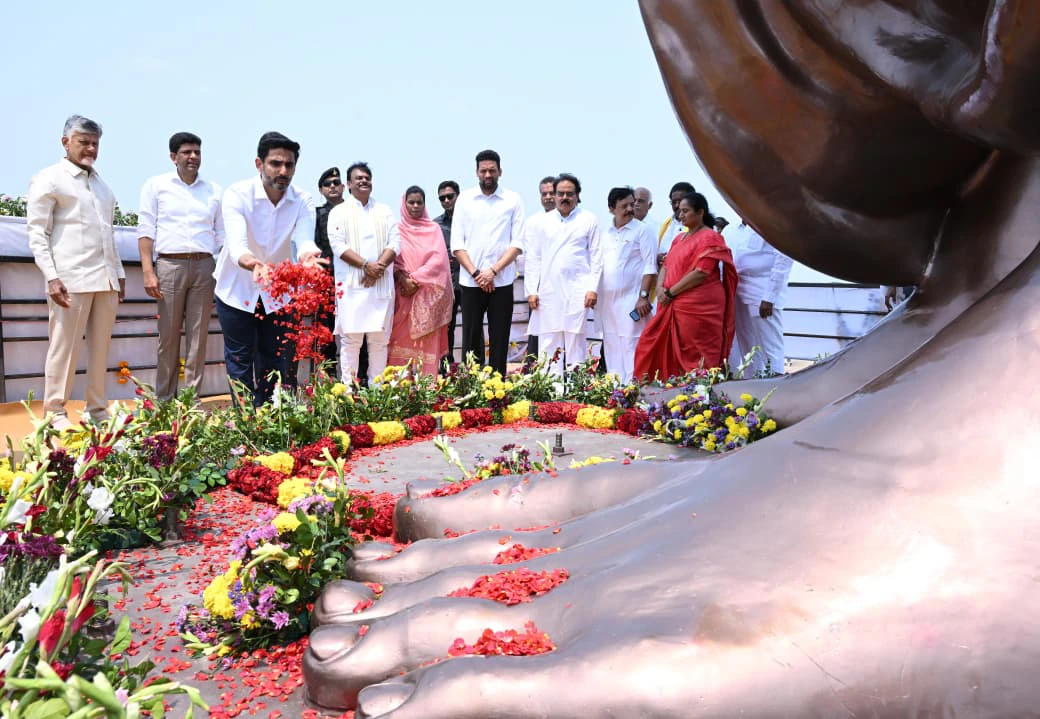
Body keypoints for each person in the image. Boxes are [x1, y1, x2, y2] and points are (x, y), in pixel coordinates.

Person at [27, 114, 125, 430]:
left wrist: (119, 273)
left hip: (105, 279)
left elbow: (109, 233)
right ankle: (55, 411)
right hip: (70, 279)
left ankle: (97, 410)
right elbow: (37, 232)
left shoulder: (103, 186)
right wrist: (51, 276)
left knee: (101, 350)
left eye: (95, 143)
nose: (90, 149)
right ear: (66, 142)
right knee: (63, 348)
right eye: (84, 142)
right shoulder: (49, 179)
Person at [213, 131, 325, 406]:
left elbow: (304, 238)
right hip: (237, 289)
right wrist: (253, 264)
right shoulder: (237, 194)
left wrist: (309, 257)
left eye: (289, 165)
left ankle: (270, 422)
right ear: (259, 164)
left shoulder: (302, 200)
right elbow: (237, 245)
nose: (283, 171)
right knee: (239, 361)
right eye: (276, 163)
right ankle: (246, 424)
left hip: (279, 294)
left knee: (275, 361)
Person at [138, 131, 223, 401]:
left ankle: (191, 401)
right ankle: (164, 400)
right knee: (168, 338)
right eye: (187, 152)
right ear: (173, 157)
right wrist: (148, 272)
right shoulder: (156, 185)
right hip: (169, 265)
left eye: (197, 152)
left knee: (198, 339)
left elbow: (221, 235)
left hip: (204, 266)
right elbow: (146, 230)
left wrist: (219, 270)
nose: (193, 157)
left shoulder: (214, 191)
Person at [634, 192, 737, 381]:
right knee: (649, 343)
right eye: (679, 211)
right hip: (670, 302)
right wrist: (659, 290)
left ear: (700, 212)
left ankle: (699, 397)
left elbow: (701, 272)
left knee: (696, 354)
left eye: (685, 211)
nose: (680, 215)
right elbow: (666, 264)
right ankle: (668, 395)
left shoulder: (710, 237)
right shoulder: (678, 238)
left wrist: (671, 292)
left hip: (699, 306)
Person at [450, 149, 525, 376]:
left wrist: (492, 271)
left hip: (501, 281)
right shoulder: (465, 199)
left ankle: (498, 389)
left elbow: (518, 243)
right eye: (483, 170)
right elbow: (457, 245)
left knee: (500, 337)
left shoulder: (513, 200)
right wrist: (477, 274)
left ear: (500, 171)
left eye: (492, 170)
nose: (488, 174)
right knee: (471, 339)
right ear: (477, 173)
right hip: (471, 282)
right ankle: (471, 386)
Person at [524, 173, 602, 377]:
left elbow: (596, 257)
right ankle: (551, 394)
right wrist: (531, 290)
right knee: (548, 343)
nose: (564, 198)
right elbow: (533, 258)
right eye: (561, 194)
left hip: (578, 292)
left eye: (569, 194)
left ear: (578, 196)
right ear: (555, 196)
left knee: (576, 341)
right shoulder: (541, 222)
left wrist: (592, 288)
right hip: (547, 293)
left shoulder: (589, 220)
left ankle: (576, 393)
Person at [328, 162, 400, 384]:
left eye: (367, 177)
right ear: (348, 184)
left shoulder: (384, 210)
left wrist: (377, 267)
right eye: (358, 178)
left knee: (379, 341)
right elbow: (337, 246)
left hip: (380, 285)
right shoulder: (339, 212)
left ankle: (377, 390)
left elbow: (395, 242)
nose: (364, 181)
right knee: (351, 341)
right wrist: (365, 266)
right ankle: (348, 392)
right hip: (352, 287)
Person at [388, 187, 454, 374]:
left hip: (427, 298)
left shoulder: (433, 229)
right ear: (404, 203)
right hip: (403, 296)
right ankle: (397, 388)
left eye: (419, 202)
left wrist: (414, 280)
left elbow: (439, 261)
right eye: (411, 202)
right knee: (399, 341)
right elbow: (393, 258)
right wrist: (403, 279)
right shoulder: (397, 230)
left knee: (426, 345)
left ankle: (426, 389)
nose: (416, 206)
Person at [598, 187, 656, 382]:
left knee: (631, 344)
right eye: (624, 206)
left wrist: (643, 297)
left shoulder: (643, 230)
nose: (630, 209)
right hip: (608, 302)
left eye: (632, 204)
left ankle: (634, 392)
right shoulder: (604, 232)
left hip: (632, 300)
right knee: (612, 344)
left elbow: (650, 266)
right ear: (611, 209)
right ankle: (616, 393)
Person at [726, 220, 793, 377]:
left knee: (770, 345)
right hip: (737, 289)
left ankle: (776, 382)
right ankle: (754, 383)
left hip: (762, 292)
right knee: (746, 342)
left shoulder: (770, 225)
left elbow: (783, 261)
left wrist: (770, 297)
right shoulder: (731, 229)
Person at [312, 166, 344, 373]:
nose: (332, 187)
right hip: (327, 279)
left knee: (358, 329)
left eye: (336, 183)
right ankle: (329, 377)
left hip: (353, 277)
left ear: (343, 186)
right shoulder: (317, 214)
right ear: (321, 190)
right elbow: (313, 246)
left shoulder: (354, 211)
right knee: (325, 329)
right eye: (327, 184)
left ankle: (360, 377)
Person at [433, 180, 462, 369]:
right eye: (442, 198)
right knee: (446, 326)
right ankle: (446, 366)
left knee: (472, 326)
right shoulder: (435, 225)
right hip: (445, 284)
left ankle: (472, 367)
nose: (446, 200)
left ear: (458, 196)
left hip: (469, 281)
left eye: (450, 196)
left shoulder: (470, 220)